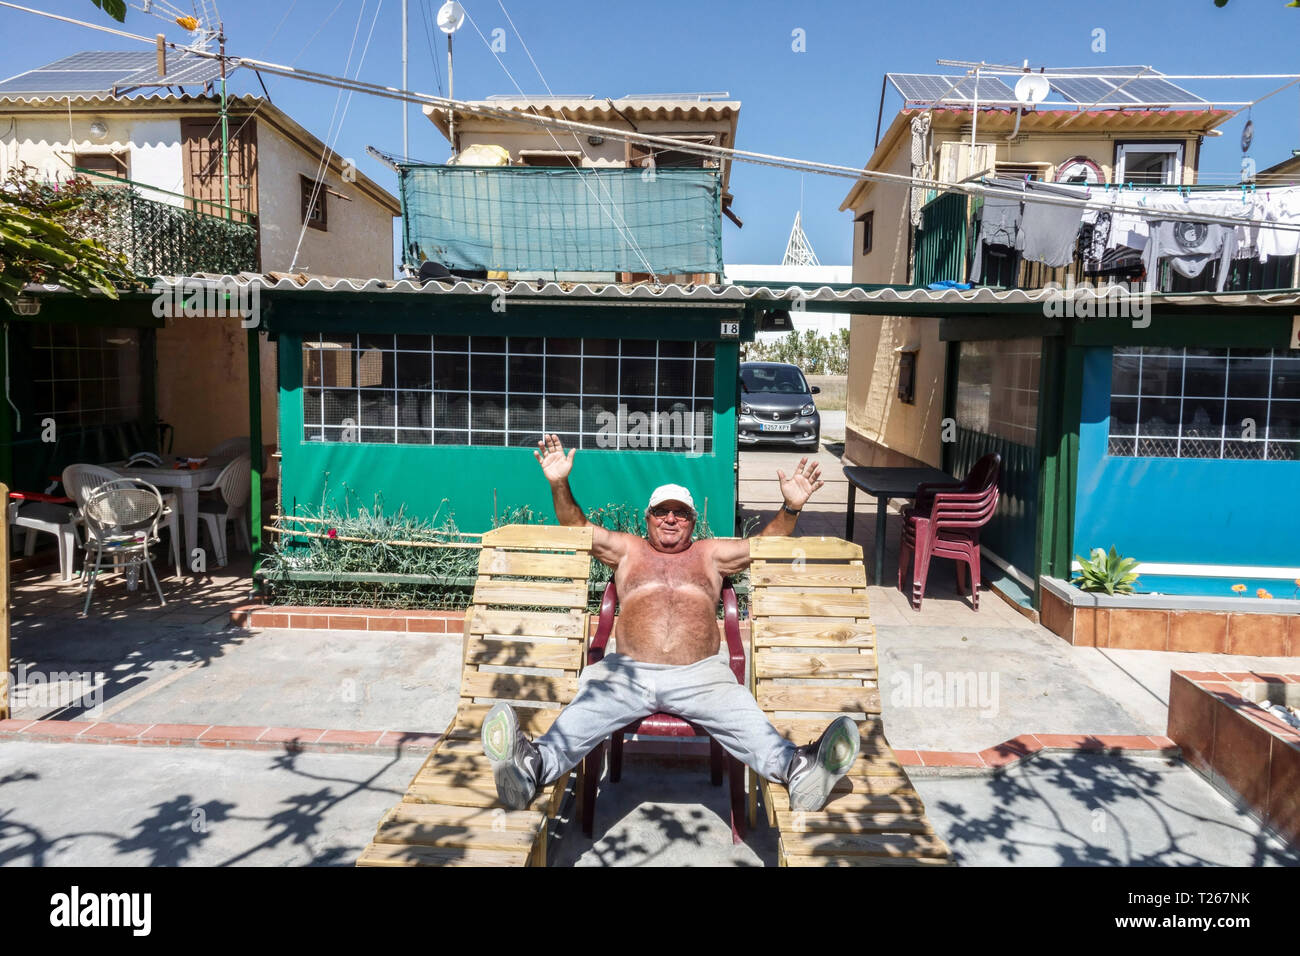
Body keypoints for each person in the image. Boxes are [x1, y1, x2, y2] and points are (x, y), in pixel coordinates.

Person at [480, 433, 861, 813]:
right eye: (662, 511)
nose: (671, 518)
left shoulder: (710, 554)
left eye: (681, 513)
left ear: (693, 522)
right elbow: (576, 527)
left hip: (700, 676)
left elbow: (764, 545)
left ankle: (798, 770)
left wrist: (790, 508)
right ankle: (531, 767)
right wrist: (560, 483)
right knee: (582, 716)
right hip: (625, 674)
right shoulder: (628, 550)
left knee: (746, 719)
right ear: (647, 518)